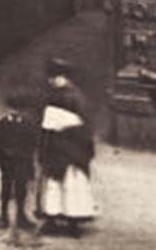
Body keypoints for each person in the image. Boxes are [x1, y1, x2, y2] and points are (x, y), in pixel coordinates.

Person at [36, 59, 95, 238]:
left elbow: (81, 126)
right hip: (62, 146)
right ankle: (63, 219)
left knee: (65, 183)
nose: (51, 81)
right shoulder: (71, 95)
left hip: (67, 146)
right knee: (63, 184)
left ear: (61, 77)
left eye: (54, 78)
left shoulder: (69, 96)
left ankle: (68, 220)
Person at [0, 89, 39, 231]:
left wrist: (23, 153)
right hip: (6, 161)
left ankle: (20, 216)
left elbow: (34, 142)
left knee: (20, 189)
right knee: (6, 187)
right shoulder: (2, 123)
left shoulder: (29, 124)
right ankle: (4, 215)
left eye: (18, 109)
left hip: (22, 161)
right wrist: (6, 150)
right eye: (13, 108)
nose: (15, 112)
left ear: (23, 110)